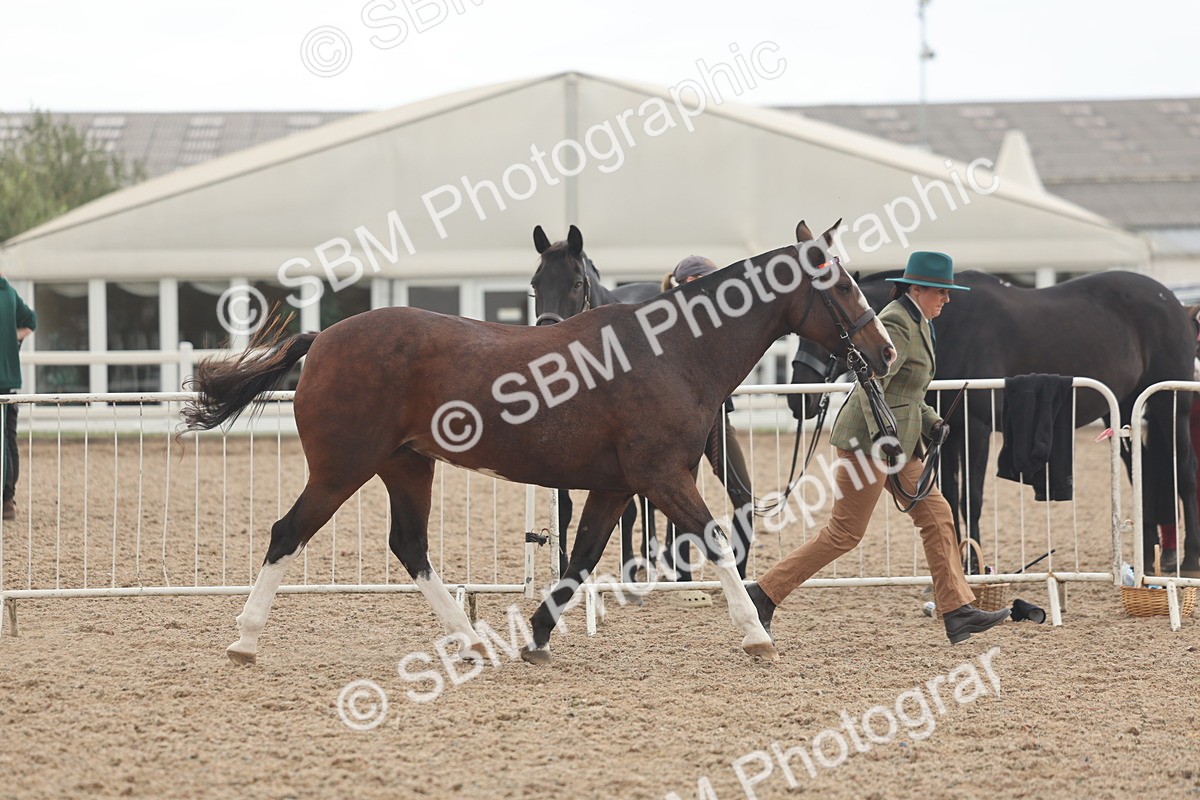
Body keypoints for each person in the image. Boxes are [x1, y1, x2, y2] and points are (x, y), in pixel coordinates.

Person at [746, 251, 1010, 644]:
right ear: (917, 290)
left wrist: (932, 421)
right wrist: (885, 439)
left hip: (896, 443)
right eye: (942, 291)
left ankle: (957, 611)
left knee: (937, 516)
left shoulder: (920, 322)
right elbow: (873, 385)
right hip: (869, 442)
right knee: (844, 534)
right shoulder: (895, 322)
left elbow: (908, 389)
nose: (947, 299)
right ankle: (762, 594)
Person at [655, 256, 756, 601]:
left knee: (743, 496)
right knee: (681, 499)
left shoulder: (725, 322)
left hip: (715, 418)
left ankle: (738, 578)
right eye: (698, 282)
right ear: (683, 285)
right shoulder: (666, 325)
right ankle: (684, 581)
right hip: (678, 423)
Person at [0, 273, 35, 520]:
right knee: (8, 439)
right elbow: (30, 321)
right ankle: (8, 498)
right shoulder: (9, 291)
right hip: (10, 379)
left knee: (3, 442)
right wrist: (15, 338)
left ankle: (4, 498)